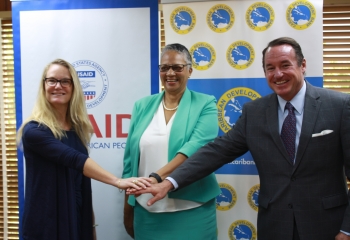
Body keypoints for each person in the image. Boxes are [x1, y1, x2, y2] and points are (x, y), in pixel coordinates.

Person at [129, 37, 350, 240]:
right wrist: (169, 182)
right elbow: (216, 152)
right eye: (270, 68)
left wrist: (347, 229)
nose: (278, 74)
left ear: (302, 65)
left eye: (285, 65)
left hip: (328, 226)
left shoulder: (339, 106)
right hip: (275, 226)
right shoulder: (255, 112)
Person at [17, 59, 151, 240]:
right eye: (52, 80)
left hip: (77, 218)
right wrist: (118, 181)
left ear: (74, 87)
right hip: (46, 223)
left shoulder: (77, 129)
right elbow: (74, 159)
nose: (58, 86)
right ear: (44, 85)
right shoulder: (34, 131)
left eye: (65, 81)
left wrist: (90, 224)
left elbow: (81, 181)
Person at [122, 43, 221, 240]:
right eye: (164, 67)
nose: (170, 73)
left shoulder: (206, 103)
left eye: (177, 67)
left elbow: (195, 149)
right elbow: (130, 161)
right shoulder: (142, 106)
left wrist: (155, 178)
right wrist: (128, 205)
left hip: (193, 210)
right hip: (146, 209)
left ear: (190, 70)